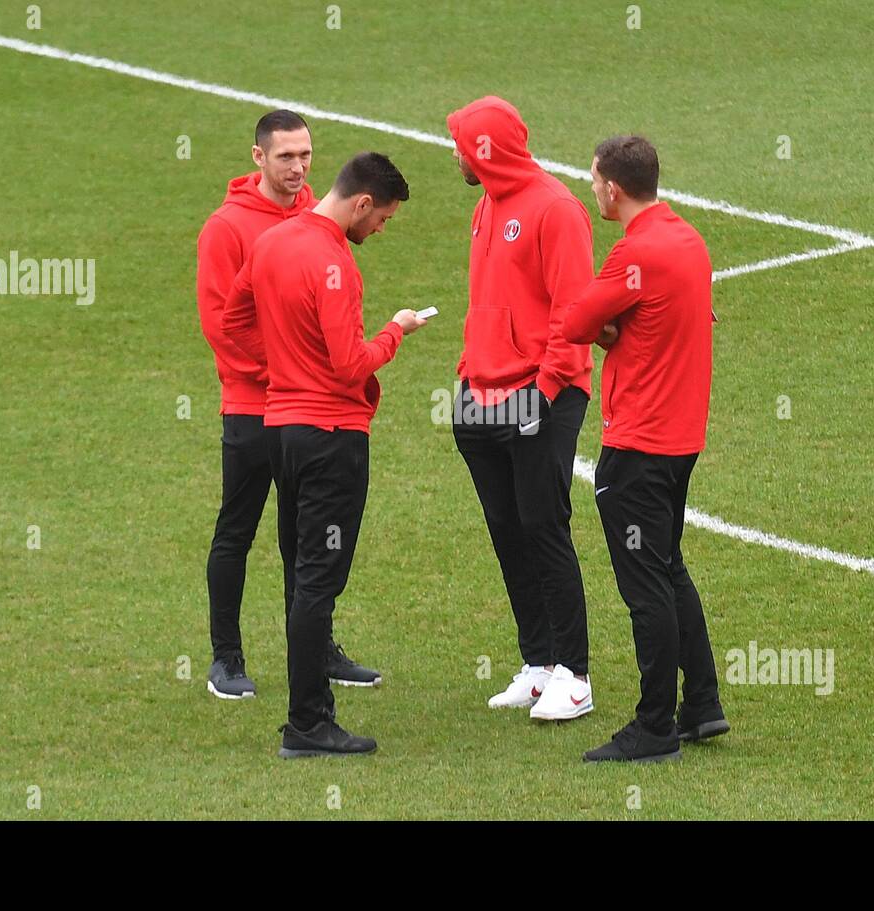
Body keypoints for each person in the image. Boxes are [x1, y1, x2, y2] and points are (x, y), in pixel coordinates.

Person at [222, 152, 426, 757]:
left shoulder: (271, 242)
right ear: (361, 203)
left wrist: (283, 364)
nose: (379, 231)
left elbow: (234, 320)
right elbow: (347, 366)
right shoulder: (335, 262)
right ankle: (308, 724)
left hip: (281, 431)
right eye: (382, 219)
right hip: (331, 438)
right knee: (315, 581)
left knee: (303, 572)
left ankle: (308, 717)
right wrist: (395, 331)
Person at [196, 110, 381, 700]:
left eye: (305, 155)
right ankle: (226, 658)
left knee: (306, 535)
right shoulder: (225, 230)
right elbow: (222, 327)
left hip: (305, 411)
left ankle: (315, 650)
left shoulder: (315, 218)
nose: (299, 167)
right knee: (237, 529)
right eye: (285, 157)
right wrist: (287, 370)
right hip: (255, 408)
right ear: (258, 158)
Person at [561, 135, 729, 763]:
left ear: (613, 187)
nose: (592, 188)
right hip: (681, 438)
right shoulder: (687, 239)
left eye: (594, 179)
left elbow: (575, 321)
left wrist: (613, 330)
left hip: (637, 444)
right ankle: (702, 705)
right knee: (667, 567)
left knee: (644, 588)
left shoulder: (635, 254)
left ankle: (655, 726)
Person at [445, 96, 597, 721]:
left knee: (544, 526)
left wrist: (547, 386)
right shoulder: (486, 205)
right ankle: (538, 664)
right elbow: (487, 301)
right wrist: (467, 373)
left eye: (460, 144)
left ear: (485, 150)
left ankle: (575, 674)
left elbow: (573, 310)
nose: (454, 154)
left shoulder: (555, 209)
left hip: (541, 395)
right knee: (507, 531)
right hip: (482, 394)